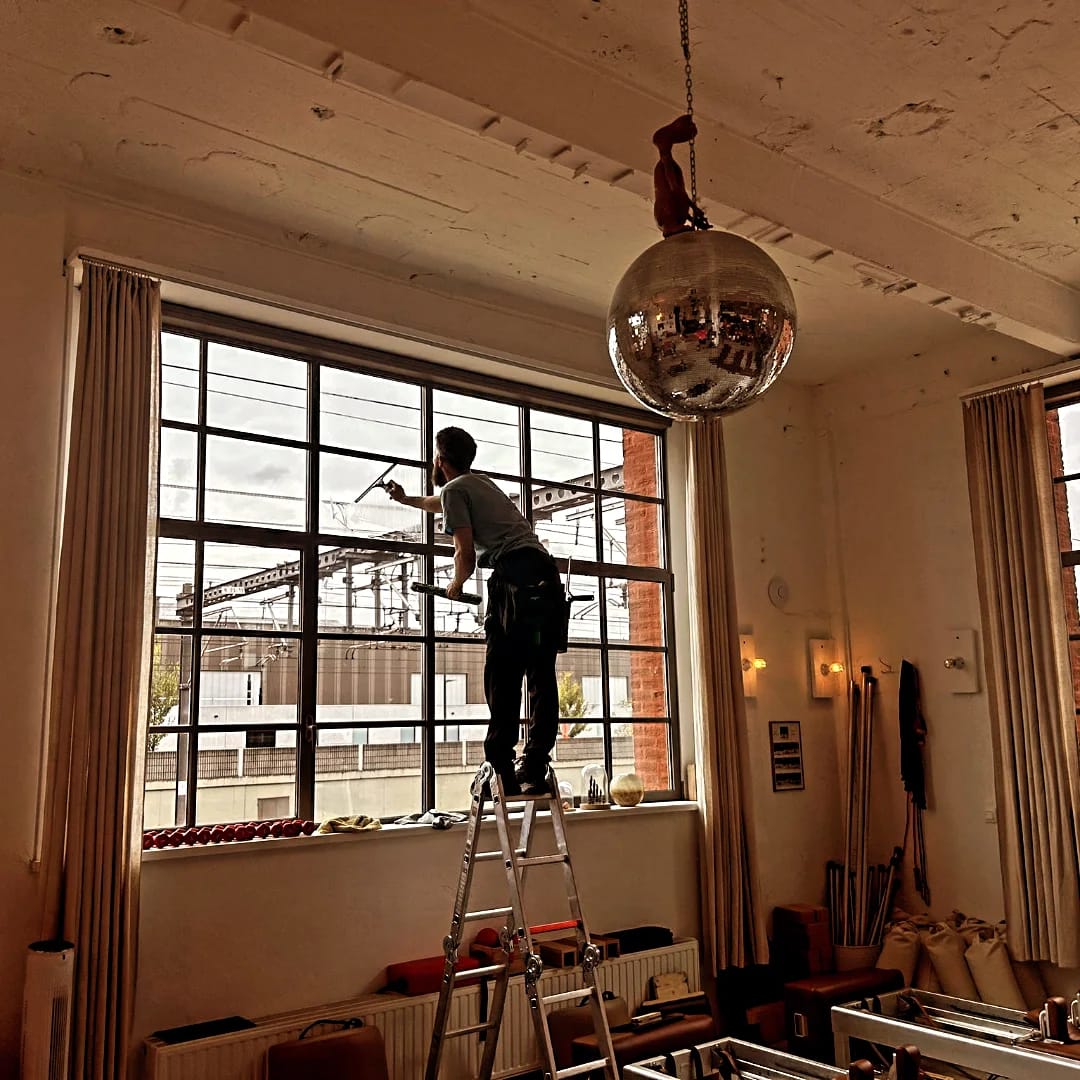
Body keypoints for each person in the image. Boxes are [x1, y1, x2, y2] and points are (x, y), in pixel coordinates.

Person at [385, 427, 566, 795]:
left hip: (514, 581)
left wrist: (456, 584)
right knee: (540, 673)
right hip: (544, 581)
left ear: (439, 459)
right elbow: (440, 501)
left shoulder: (455, 490)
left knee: (503, 671)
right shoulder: (478, 484)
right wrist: (406, 501)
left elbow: (464, 554)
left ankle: (500, 767)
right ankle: (535, 764)